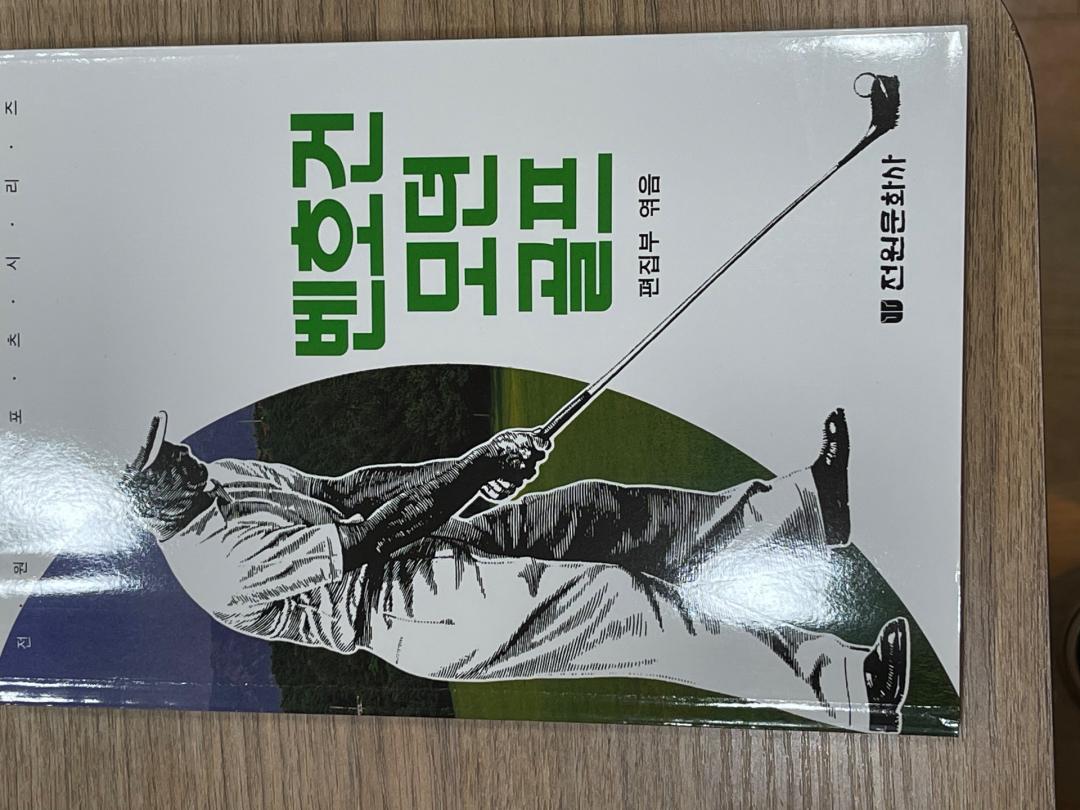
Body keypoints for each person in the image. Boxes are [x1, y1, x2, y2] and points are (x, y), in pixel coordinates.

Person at [124, 407, 910, 733]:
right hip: (411, 608)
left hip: (427, 543)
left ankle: (810, 508)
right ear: (147, 499)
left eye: (169, 444)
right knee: (623, 604)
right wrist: (471, 477)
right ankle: (850, 692)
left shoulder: (220, 478)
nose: (182, 451)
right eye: (164, 460)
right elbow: (363, 540)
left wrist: (471, 467)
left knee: (598, 511)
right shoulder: (217, 566)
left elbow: (349, 491)